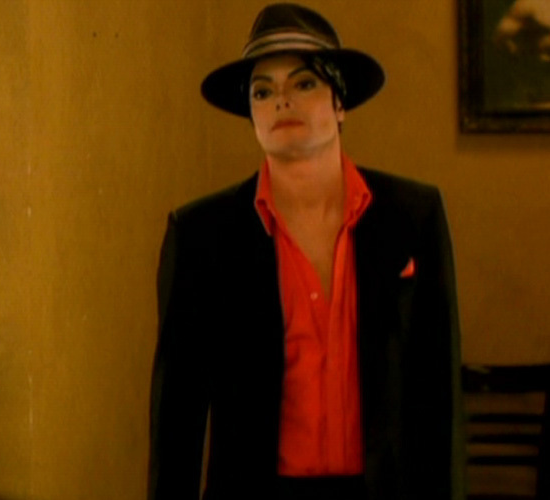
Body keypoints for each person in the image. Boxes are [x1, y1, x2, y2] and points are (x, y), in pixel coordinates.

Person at [148, 4, 463, 500]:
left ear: (340, 103)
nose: (282, 101)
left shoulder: (412, 215)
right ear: (251, 114)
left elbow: (438, 393)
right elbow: (177, 416)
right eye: (262, 91)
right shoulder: (202, 234)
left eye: (304, 83)